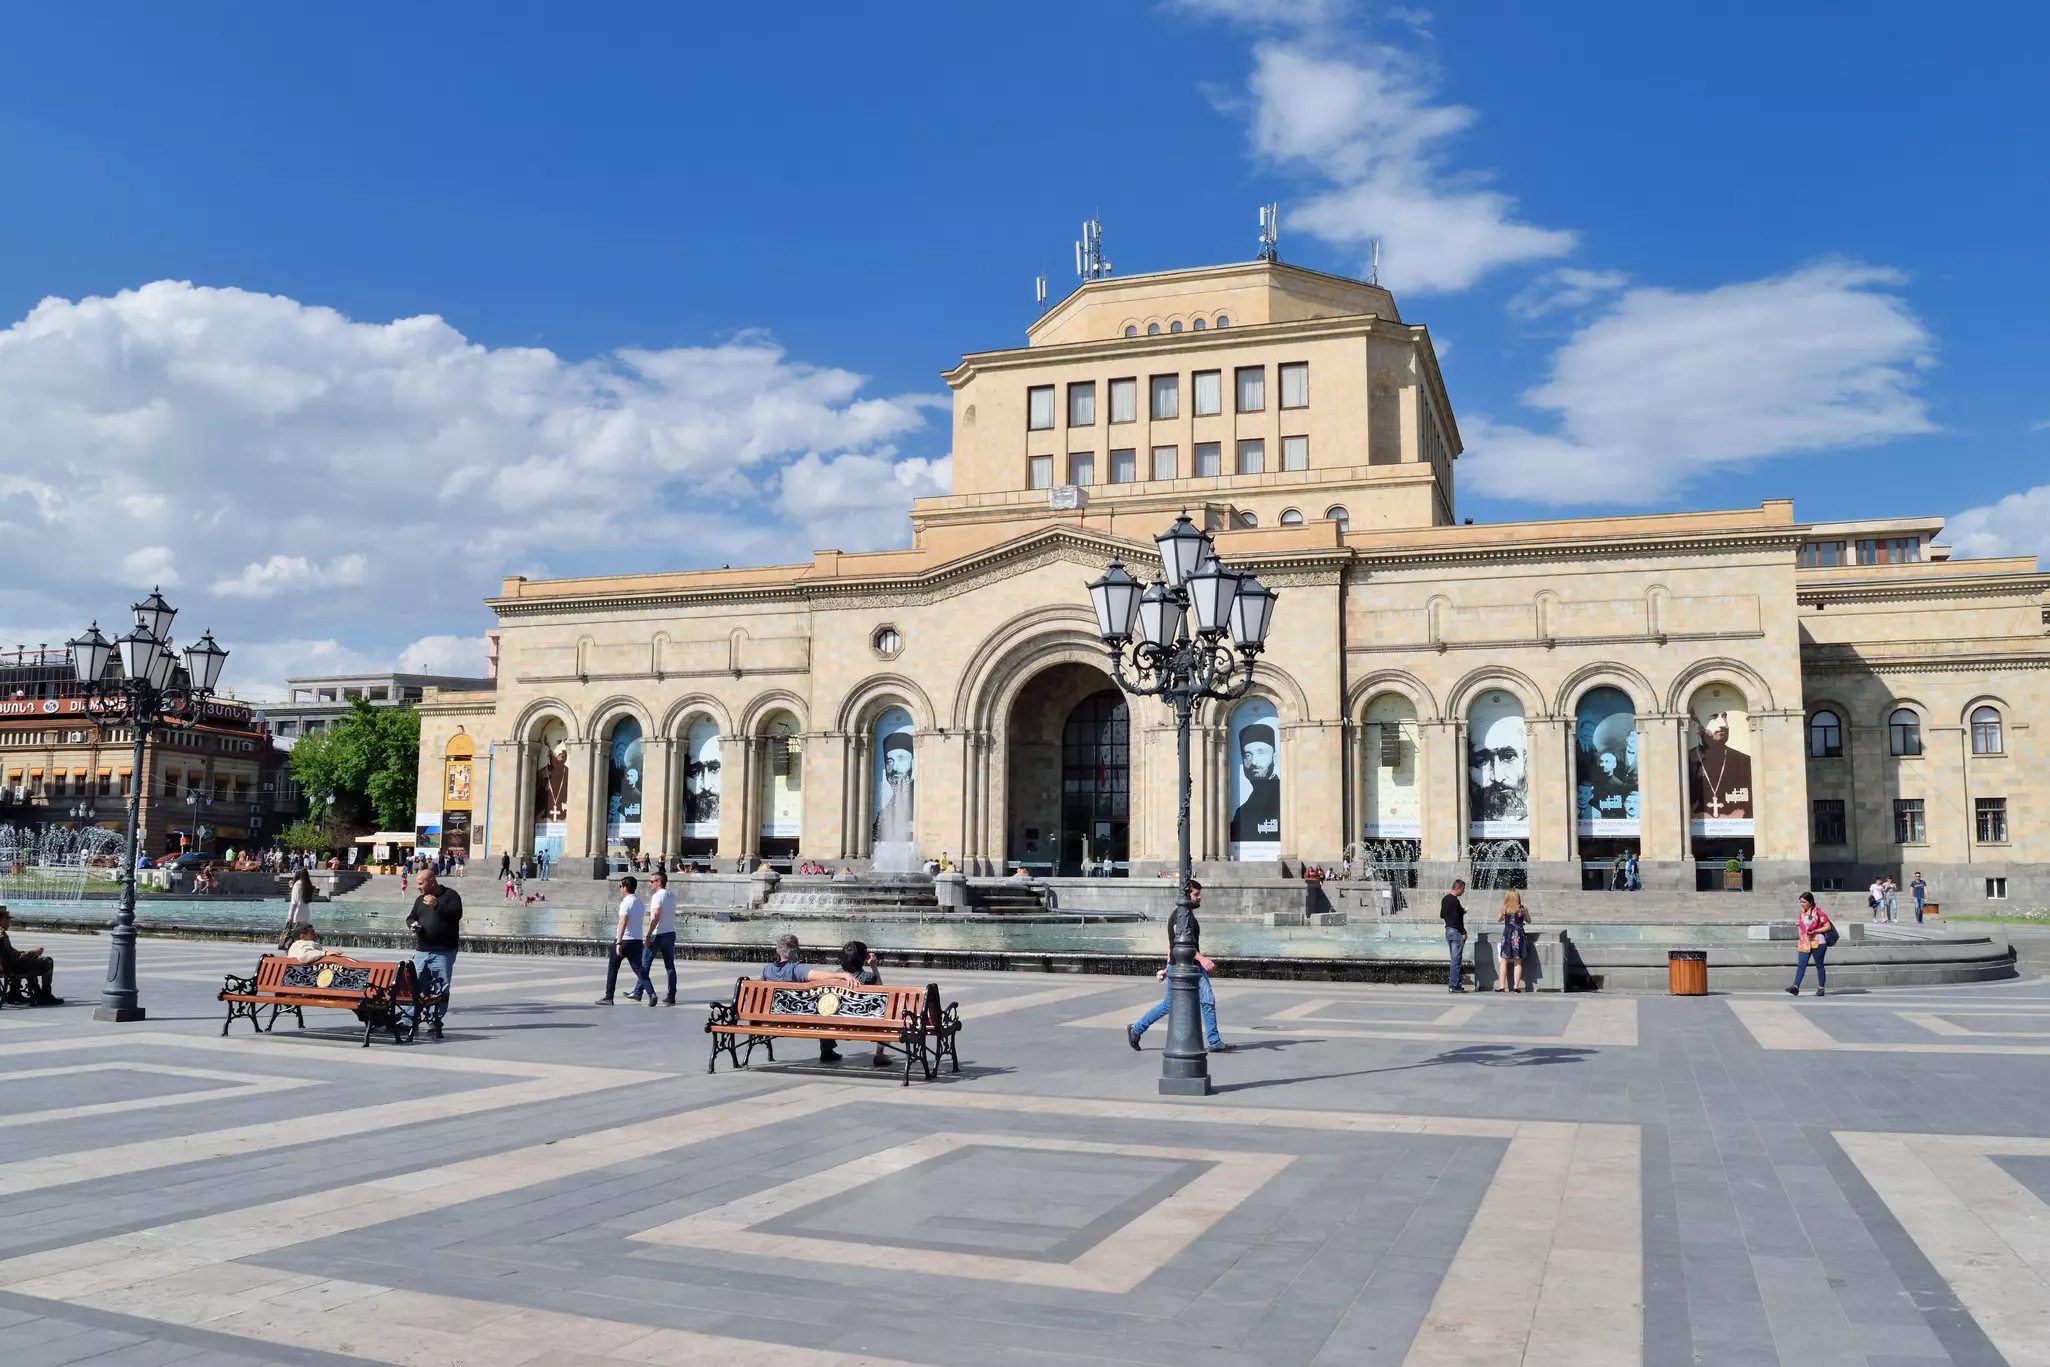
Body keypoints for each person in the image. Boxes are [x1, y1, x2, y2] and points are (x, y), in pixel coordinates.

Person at [1126, 880, 1232, 1054]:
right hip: (1190, 966)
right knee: (1206, 1001)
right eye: (1196, 894)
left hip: (1181, 965)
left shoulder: (1184, 913)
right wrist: (1202, 959)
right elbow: (1179, 943)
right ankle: (1214, 1041)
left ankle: (1136, 1029)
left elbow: (1172, 947)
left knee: (1170, 1004)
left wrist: (1168, 966)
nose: (1199, 898)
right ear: (1186, 895)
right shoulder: (1181, 915)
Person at [761, 934, 857, 1062]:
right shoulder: (796, 968)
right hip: (796, 1015)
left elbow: (760, 989)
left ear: (777, 951)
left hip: (771, 1015)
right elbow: (817, 975)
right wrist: (843, 975)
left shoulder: (767, 970)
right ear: (797, 950)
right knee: (825, 1011)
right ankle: (827, 1051)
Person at [405, 869, 462, 1037]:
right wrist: (412, 924)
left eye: (420, 883)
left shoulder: (450, 895)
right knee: (416, 985)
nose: (418, 887)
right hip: (422, 949)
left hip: (444, 950)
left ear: (431, 881)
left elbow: (456, 914)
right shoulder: (419, 900)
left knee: (440, 987)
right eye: (417, 883)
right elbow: (411, 916)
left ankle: (434, 1019)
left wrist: (436, 905)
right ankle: (409, 1019)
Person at [597, 876, 648, 1004]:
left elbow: (622, 923)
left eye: (620, 886)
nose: (620, 888)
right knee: (638, 968)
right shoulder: (640, 902)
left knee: (613, 967)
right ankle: (651, 993)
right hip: (637, 940)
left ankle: (609, 997)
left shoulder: (626, 902)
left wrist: (618, 942)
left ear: (625, 887)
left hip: (624, 939)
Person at [840, 939, 891, 1067]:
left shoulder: (837, 975)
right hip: (864, 1019)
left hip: (838, 1019)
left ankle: (826, 1050)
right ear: (863, 959)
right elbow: (881, 990)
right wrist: (874, 966)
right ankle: (879, 1054)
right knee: (886, 1010)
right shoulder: (868, 978)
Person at [1229, 724, 1281, 845]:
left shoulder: (1279, 795)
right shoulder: (1242, 810)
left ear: (1275, 758)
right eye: (1247, 755)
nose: (1253, 762)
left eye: (1261, 753)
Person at [0, 908, 61, 1004]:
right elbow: (12, 956)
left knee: (30, 960)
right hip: (9, 967)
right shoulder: (1, 934)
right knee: (47, 960)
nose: (9, 923)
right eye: (8, 920)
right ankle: (45, 994)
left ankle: (15, 992)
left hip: (3, 966)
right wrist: (32, 952)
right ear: (3, 919)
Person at [637, 870, 679, 1007]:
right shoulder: (672, 896)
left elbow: (655, 917)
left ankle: (638, 991)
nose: (650, 884)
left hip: (657, 934)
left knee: (645, 963)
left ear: (659, 882)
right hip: (670, 933)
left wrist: (648, 934)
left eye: (652, 881)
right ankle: (671, 995)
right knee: (670, 965)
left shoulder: (657, 896)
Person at [1787, 892, 1837, 997]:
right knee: (1801, 965)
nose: (1802, 904)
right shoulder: (1802, 914)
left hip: (1818, 941)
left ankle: (1821, 988)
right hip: (1805, 942)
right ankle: (1795, 986)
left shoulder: (1819, 913)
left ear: (1810, 902)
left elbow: (1827, 927)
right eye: (1800, 902)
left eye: (1804, 902)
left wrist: (1815, 931)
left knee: (1819, 965)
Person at [1496, 890, 1531, 993]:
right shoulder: (1522, 908)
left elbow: (1498, 919)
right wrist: (1525, 915)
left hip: (1507, 935)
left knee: (1504, 960)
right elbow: (1529, 920)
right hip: (1518, 935)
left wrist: (1503, 915)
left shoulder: (1505, 908)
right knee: (1518, 961)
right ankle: (1516, 986)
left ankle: (1502, 986)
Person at [1441, 879, 1468, 993]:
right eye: (1463, 889)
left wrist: (1458, 912)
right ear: (1458, 888)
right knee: (1456, 960)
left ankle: (1455, 983)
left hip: (1448, 931)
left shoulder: (1445, 899)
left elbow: (1442, 915)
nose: (1464, 891)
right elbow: (1457, 920)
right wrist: (1463, 932)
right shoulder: (1455, 901)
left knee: (1454, 959)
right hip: (1456, 932)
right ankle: (1454, 985)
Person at [278, 924, 343, 965]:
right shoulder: (309, 943)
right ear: (303, 936)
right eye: (312, 932)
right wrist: (325, 953)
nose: (315, 934)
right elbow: (303, 957)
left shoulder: (294, 945)